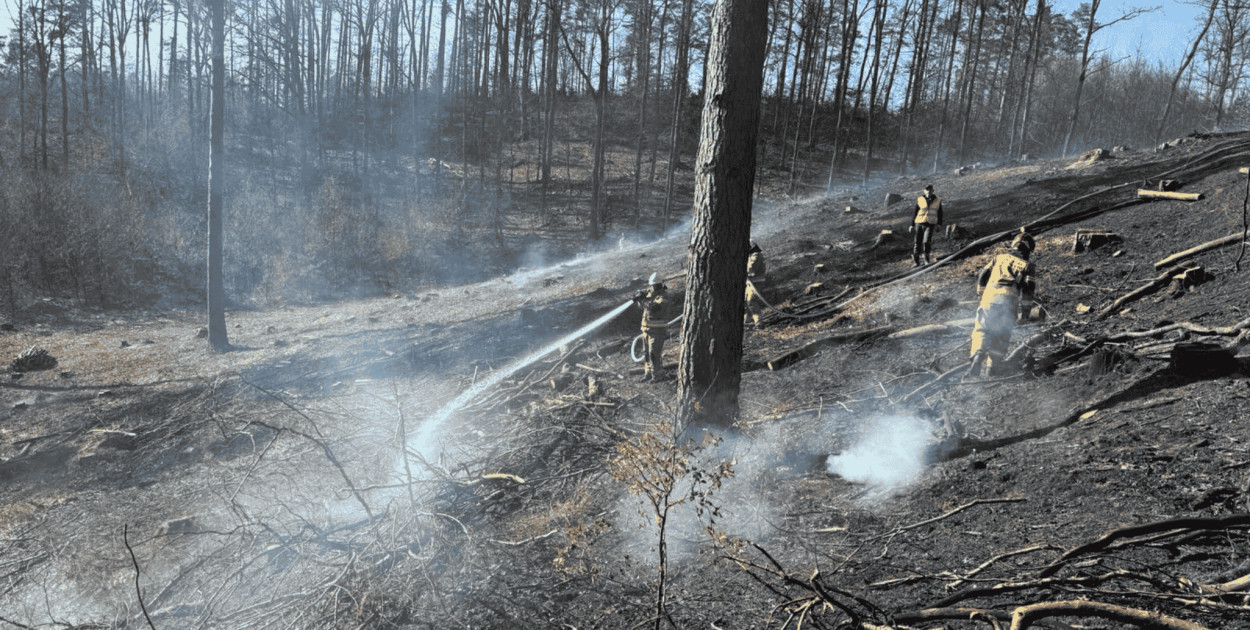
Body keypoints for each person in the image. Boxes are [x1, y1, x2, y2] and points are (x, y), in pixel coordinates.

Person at [967, 230, 1037, 379]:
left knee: (982, 329)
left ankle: (978, 356)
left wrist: (981, 295)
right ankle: (992, 366)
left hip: (989, 297)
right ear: (1028, 250)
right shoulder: (1028, 265)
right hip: (1008, 300)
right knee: (1002, 334)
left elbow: (982, 276)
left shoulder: (998, 258)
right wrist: (1025, 313)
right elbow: (1028, 290)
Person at [632, 281, 672, 381]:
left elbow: (655, 308)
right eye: (652, 285)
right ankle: (648, 373)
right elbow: (642, 307)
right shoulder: (650, 293)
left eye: (655, 285)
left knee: (653, 354)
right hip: (646, 330)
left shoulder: (664, 297)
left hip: (658, 331)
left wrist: (644, 300)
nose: (653, 287)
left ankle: (658, 375)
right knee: (646, 354)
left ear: (660, 285)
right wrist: (639, 298)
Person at [910, 184, 943, 267]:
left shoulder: (937, 200)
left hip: (930, 223)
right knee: (917, 242)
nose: (928, 191)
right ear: (924, 191)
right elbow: (915, 212)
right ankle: (916, 262)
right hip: (919, 223)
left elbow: (940, 213)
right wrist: (912, 225)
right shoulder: (920, 199)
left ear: (933, 190)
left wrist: (939, 224)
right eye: (926, 190)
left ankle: (926, 260)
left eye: (930, 189)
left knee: (926, 241)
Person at [745, 243, 767, 327]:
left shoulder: (756, 255)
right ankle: (747, 321)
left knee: (751, 300)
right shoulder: (751, 255)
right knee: (746, 301)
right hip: (751, 282)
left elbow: (751, 268)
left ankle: (759, 322)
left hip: (757, 282)